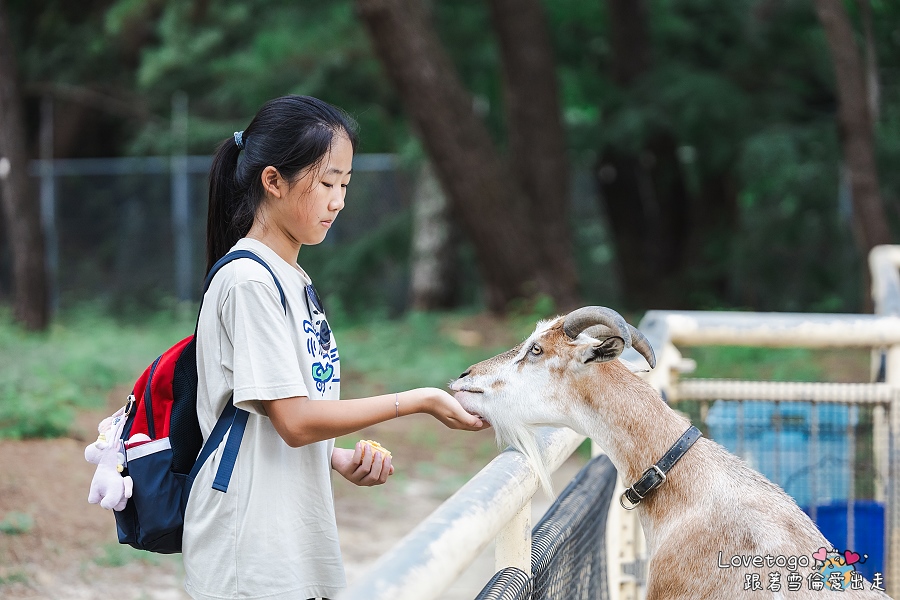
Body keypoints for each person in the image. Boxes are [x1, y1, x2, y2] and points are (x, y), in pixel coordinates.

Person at [184, 95, 486, 600]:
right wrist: (419, 400)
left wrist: (335, 458)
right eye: (326, 183)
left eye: (345, 184)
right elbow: (295, 420)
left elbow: (275, 421)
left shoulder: (292, 279)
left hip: (291, 544)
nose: (338, 200)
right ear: (273, 181)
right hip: (250, 555)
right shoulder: (249, 282)